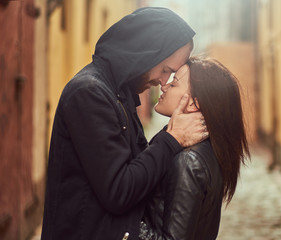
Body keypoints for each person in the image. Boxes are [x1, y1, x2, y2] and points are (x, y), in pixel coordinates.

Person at [41, 8, 207, 240]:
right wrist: (171, 140)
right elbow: (119, 191)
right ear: (146, 52)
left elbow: (137, 166)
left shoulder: (118, 93)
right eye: (165, 70)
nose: (162, 82)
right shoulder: (89, 93)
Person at [138, 56, 251, 240]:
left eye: (173, 84)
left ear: (194, 103)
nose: (164, 86)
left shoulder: (188, 161)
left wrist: (124, 228)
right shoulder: (204, 149)